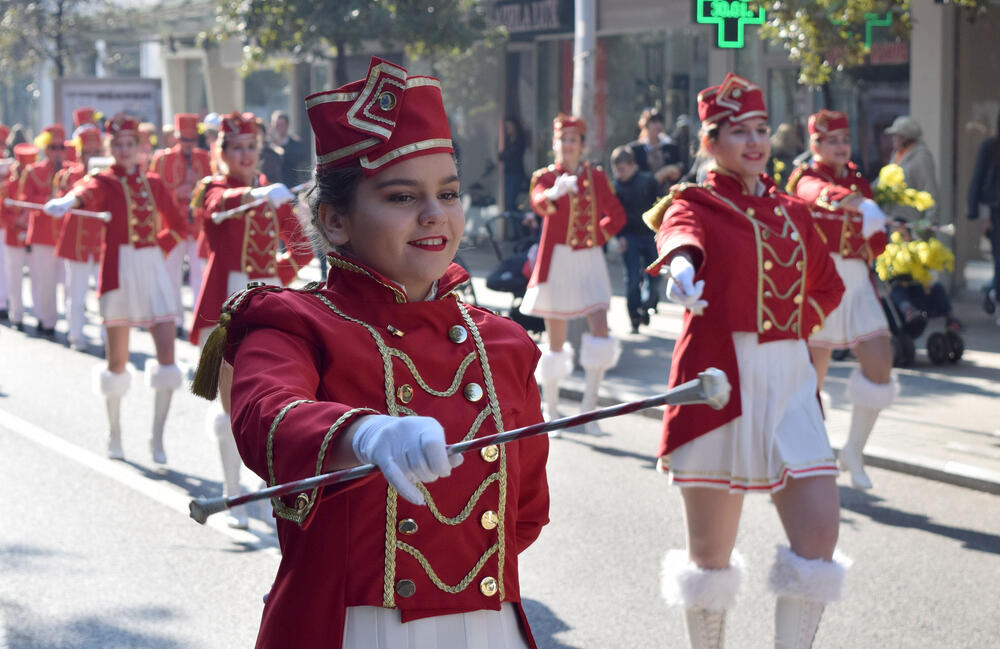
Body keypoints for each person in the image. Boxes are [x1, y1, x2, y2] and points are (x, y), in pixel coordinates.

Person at [190, 56, 549, 648]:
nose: (435, 214)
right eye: (403, 196)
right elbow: (266, 415)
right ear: (334, 221)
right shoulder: (291, 323)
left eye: (450, 192)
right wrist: (363, 434)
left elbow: (526, 513)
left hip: (488, 629)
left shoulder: (503, 342)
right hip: (352, 629)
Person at [644, 73, 848, 649]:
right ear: (710, 142)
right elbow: (680, 233)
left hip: (789, 380)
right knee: (708, 562)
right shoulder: (696, 203)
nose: (755, 141)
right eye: (738, 132)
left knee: (819, 541)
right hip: (720, 383)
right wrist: (681, 267)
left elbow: (828, 287)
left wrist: (782, 322)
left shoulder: (793, 213)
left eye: (761, 129)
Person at [188, 110, 313, 528]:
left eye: (251, 148)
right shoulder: (215, 188)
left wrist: (272, 276)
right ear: (221, 153)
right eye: (236, 148)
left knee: (269, 396)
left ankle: (264, 484)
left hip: (266, 301)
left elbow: (301, 247)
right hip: (226, 301)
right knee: (229, 398)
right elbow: (214, 210)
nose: (244, 155)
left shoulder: (269, 191)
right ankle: (231, 489)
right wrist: (257, 197)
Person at [43, 114, 187, 464]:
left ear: (140, 148)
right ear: (111, 149)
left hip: (151, 269)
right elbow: (87, 191)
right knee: (117, 362)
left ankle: (157, 437)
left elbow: (180, 225)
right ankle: (115, 432)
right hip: (118, 271)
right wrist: (70, 202)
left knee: (168, 357)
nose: (124, 151)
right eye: (118, 145)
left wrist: (157, 249)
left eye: (130, 145)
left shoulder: (154, 183)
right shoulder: (104, 181)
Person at [787, 109, 897, 490]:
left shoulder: (858, 180)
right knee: (809, 379)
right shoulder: (806, 177)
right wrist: (860, 206)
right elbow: (817, 196)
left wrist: (880, 227)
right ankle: (810, 453)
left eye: (844, 140)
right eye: (831, 140)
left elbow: (874, 244)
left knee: (881, 364)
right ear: (814, 144)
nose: (840, 146)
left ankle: (853, 450)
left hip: (858, 281)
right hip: (820, 280)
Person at [522, 113, 626, 435]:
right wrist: (553, 193)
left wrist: (599, 236)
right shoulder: (545, 177)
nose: (567, 146)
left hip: (590, 260)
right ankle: (552, 412)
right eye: (562, 140)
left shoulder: (596, 178)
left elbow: (617, 215)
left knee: (601, 333)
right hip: (559, 262)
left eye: (573, 141)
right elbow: (538, 201)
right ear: (555, 144)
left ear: (582, 146)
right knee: (556, 342)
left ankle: (588, 411)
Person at [149, 113, 214, 335]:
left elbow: (214, 189)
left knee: (199, 274)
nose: (188, 145)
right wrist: (176, 193)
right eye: (184, 140)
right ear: (176, 138)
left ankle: (199, 319)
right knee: (171, 274)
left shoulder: (205, 159)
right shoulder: (162, 160)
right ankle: (175, 320)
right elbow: (154, 192)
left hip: (197, 226)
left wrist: (196, 190)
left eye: (191, 140)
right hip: (172, 225)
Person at [55, 111, 106, 351]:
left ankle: (109, 337)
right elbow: (68, 192)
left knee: (105, 293)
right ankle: (76, 335)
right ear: (80, 154)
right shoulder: (69, 175)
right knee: (76, 292)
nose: (92, 157)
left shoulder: (108, 175)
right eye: (87, 153)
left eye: (96, 153)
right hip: (76, 242)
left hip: (102, 242)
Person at [20, 123, 69, 338]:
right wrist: (48, 200)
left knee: (69, 282)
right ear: (45, 149)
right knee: (45, 280)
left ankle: (71, 324)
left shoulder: (71, 171)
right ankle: (47, 320)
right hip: (42, 235)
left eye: (61, 147)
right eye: (53, 147)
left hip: (67, 235)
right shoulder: (34, 171)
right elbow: (25, 200)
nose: (58, 152)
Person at [610, 145, 661, 333]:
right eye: (616, 169)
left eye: (622, 169)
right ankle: (634, 315)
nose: (619, 173)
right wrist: (619, 236)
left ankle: (648, 304)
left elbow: (661, 205)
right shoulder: (615, 187)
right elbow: (611, 215)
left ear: (633, 166)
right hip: (628, 236)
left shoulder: (648, 182)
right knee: (632, 278)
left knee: (655, 275)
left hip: (649, 234)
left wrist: (662, 231)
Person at [967, 111, 1000, 321]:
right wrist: (981, 215)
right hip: (996, 212)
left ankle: (992, 291)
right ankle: (997, 301)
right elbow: (978, 180)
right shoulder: (990, 146)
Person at [2, 143, 39, 331]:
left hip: (33, 236)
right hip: (13, 235)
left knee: (38, 277)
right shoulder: (8, 183)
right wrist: (16, 219)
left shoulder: (39, 179)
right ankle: (16, 315)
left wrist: (29, 216)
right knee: (14, 276)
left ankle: (42, 317)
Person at [883, 115, 939, 223]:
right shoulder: (896, 155)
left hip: (913, 224)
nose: (893, 139)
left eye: (896, 136)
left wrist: (929, 222)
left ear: (906, 137)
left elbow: (930, 191)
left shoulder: (921, 157)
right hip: (895, 221)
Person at [629, 108, 686, 190]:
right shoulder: (635, 149)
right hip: (644, 195)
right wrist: (661, 174)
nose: (658, 125)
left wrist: (676, 170)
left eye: (660, 121)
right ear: (645, 125)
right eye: (654, 122)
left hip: (668, 193)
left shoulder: (670, 147)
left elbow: (680, 169)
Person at [270, 109, 308, 187]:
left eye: (281, 125)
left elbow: (298, 161)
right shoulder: (267, 144)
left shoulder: (296, 143)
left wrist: (282, 147)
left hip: (291, 186)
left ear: (287, 125)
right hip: (272, 187)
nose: (278, 128)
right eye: (276, 125)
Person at [499, 117, 528, 212]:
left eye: (510, 126)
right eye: (507, 127)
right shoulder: (506, 140)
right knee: (507, 201)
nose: (508, 129)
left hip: (516, 173)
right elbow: (502, 156)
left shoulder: (519, 140)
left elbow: (509, 155)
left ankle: (518, 224)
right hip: (508, 173)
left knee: (512, 201)